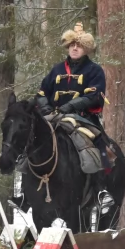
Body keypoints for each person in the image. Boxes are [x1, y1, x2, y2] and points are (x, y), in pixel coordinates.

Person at [37, 23, 111, 168]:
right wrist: (45, 108)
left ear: (86, 49)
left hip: (83, 118)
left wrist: (70, 105)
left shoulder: (95, 70)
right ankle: (26, 183)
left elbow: (93, 96)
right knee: (32, 142)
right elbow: (42, 92)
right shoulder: (57, 69)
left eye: (79, 45)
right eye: (72, 45)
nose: (75, 48)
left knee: (99, 143)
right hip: (53, 116)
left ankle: (101, 186)